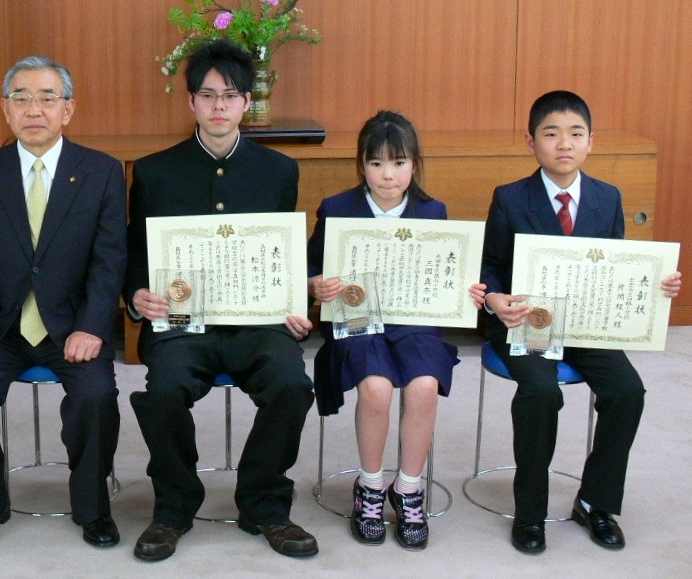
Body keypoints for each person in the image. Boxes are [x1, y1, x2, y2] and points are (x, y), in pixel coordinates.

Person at [125, 39, 317, 562]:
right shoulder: (153, 170)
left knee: (291, 383)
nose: (217, 107)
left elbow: (283, 255)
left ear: (246, 103)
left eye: (229, 96)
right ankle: (173, 508)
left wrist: (297, 306)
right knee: (162, 389)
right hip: (182, 324)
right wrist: (137, 295)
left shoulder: (279, 171)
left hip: (257, 322)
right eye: (206, 95)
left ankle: (264, 504)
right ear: (190, 102)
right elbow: (137, 250)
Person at [481, 90, 681, 554]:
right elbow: (490, 266)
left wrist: (656, 286)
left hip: (589, 324)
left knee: (628, 390)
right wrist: (494, 298)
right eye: (551, 134)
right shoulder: (510, 198)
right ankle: (530, 513)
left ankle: (595, 501)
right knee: (540, 391)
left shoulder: (607, 197)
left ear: (591, 142)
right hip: (528, 324)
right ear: (531, 142)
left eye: (575, 134)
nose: (564, 144)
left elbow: (617, 267)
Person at [0, 55, 126, 549]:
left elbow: (109, 260)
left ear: (68, 110)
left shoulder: (102, 172)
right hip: (2, 328)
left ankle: (91, 505)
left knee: (95, 395)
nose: (34, 109)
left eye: (47, 97)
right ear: (5, 110)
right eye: (21, 98)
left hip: (73, 327)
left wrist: (93, 326)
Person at [307, 111, 486, 550]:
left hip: (414, 323)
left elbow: (449, 273)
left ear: (415, 164)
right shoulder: (337, 210)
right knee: (376, 388)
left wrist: (470, 290)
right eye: (376, 164)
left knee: (424, 386)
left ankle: (408, 488)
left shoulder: (433, 211)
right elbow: (310, 268)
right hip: (359, 322)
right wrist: (315, 283)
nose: (387, 176)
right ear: (361, 164)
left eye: (399, 163)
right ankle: (369, 487)